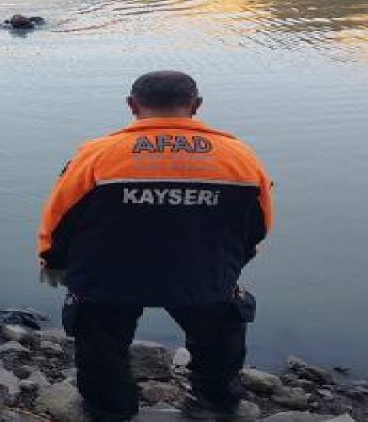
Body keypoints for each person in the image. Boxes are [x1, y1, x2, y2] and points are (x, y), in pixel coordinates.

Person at [37, 71, 273, 422]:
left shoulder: (97, 156)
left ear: (132, 105)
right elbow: (258, 225)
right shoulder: (239, 156)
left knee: (100, 339)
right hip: (203, 273)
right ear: (196, 106)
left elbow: (59, 219)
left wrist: (53, 260)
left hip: (109, 276)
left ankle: (109, 410)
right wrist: (230, 265)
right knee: (220, 330)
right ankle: (213, 404)